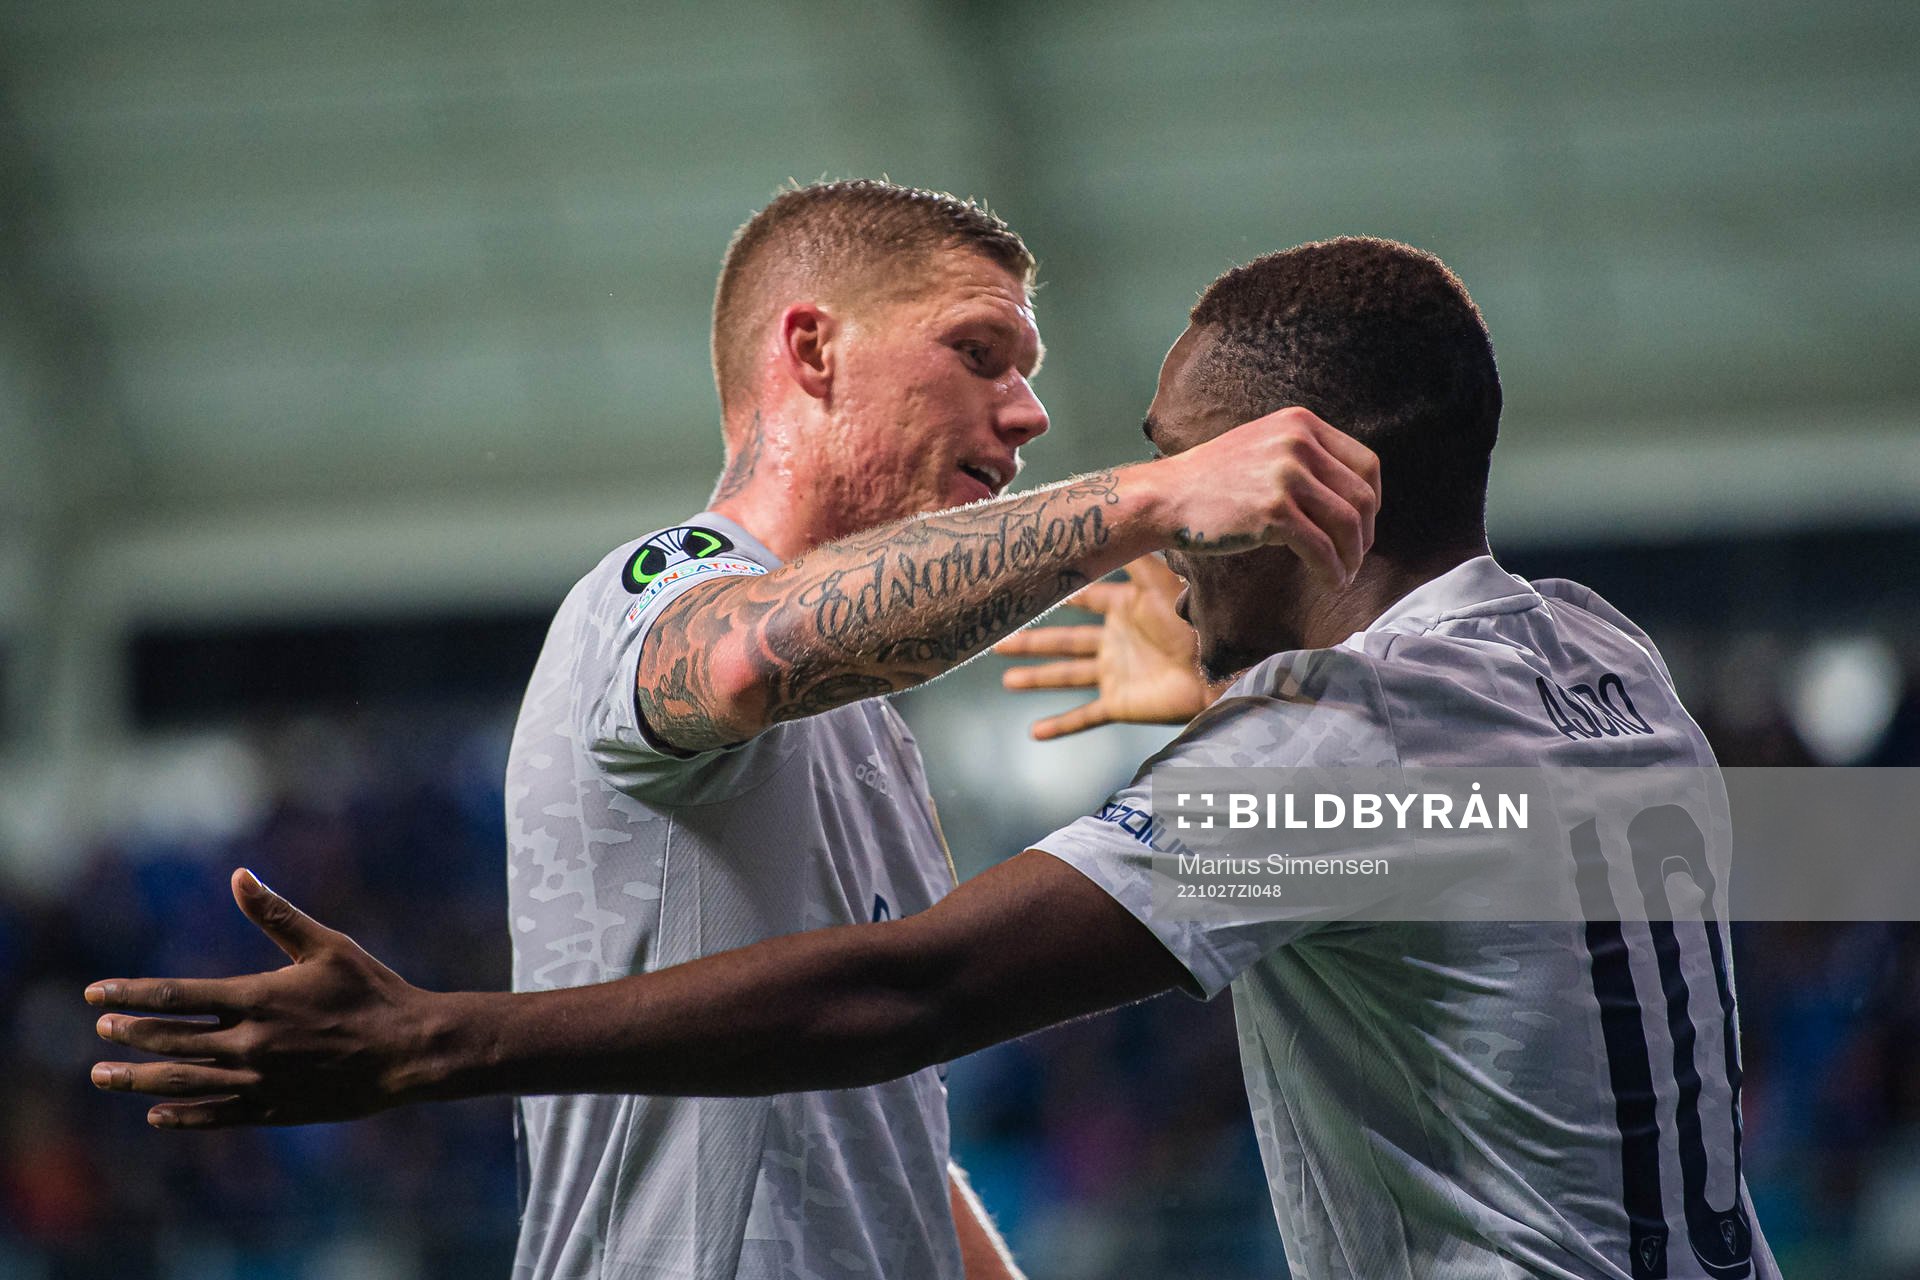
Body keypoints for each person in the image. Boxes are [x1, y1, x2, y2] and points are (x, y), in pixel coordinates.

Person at [86, 236, 1772, 1278]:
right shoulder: (1593, 653)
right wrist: (1228, 682)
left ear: (1321, 480)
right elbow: (740, 651)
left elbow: (909, 1003)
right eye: (985, 356)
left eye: (1190, 468)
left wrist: (437, 1043)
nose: (1076, 451)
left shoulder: (1335, 742)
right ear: (810, 352)